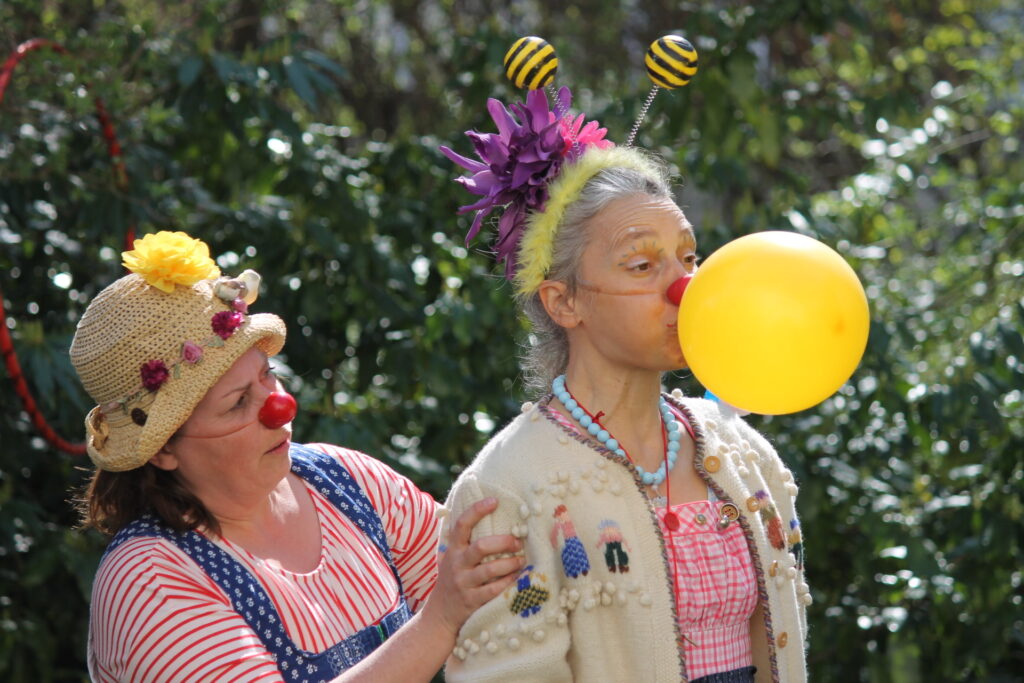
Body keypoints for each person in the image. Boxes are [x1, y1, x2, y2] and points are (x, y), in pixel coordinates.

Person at [438, 87, 810, 681]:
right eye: (642, 265)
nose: (684, 287)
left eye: (688, 259)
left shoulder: (744, 454)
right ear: (564, 302)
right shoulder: (507, 487)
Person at [70, 230, 524, 682]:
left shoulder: (348, 481)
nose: (279, 407)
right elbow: (450, 607)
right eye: (238, 403)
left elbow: (496, 594)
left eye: (269, 376)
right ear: (165, 449)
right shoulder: (151, 584)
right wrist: (438, 622)